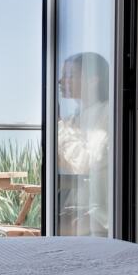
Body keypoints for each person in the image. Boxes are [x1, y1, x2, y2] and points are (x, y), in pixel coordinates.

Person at [57, 52, 110, 237]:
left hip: (100, 215)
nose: (61, 81)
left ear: (93, 80)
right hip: (79, 208)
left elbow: (85, 163)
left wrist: (58, 126)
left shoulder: (108, 114)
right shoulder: (74, 118)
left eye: (70, 75)